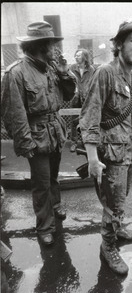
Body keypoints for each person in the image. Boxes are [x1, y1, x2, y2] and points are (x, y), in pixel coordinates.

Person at [79, 18, 132, 275]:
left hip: (128, 152)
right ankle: (108, 246)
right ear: (119, 44)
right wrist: (92, 158)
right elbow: (89, 116)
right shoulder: (105, 73)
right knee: (112, 204)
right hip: (110, 156)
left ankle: (118, 228)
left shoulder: (131, 79)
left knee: (121, 200)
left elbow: (130, 116)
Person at [1, 21, 76, 245]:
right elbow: (14, 113)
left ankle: (55, 206)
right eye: (52, 45)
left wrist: (65, 74)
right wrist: (27, 144)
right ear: (41, 46)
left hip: (54, 131)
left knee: (53, 176)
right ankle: (45, 225)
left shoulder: (53, 68)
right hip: (35, 136)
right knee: (41, 182)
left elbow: (68, 96)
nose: (56, 49)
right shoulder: (16, 73)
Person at [69, 48, 95, 152]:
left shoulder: (91, 69)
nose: (76, 57)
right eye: (75, 55)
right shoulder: (72, 68)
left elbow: (93, 83)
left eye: (78, 55)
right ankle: (74, 142)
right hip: (75, 98)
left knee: (86, 120)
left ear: (84, 57)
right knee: (74, 120)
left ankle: (86, 142)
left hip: (86, 98)